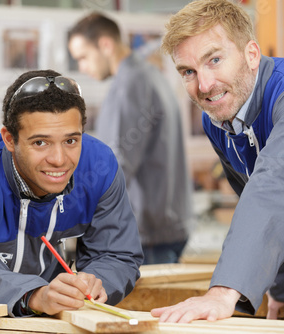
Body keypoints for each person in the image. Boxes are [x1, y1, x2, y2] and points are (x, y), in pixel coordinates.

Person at [151, 0, 284, 325]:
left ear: (251, 54)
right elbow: (263, 204)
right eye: (188, 72)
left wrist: (225, 291)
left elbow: (276, 190)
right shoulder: (221, 120)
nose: (204, 85)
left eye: (215, 59)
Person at [0, 69, 143, 317]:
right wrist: (35, 295)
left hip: (42, 307)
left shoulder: (100, 167)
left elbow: (117, 254)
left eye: (71, 141)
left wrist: (96, 283)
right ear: (9, 140)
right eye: (40, 142)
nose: (59, 160)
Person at [68, 13, 193, 265]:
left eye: (83, 57)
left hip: (148, 233)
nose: (82, 67)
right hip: (164, 225)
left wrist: (72, 211)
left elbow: (116, 164)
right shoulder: (149, 74)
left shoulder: (130, 84)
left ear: (105, 45)